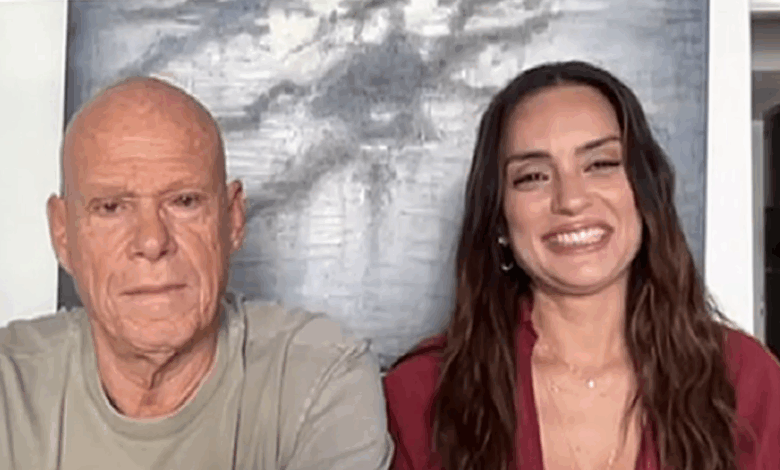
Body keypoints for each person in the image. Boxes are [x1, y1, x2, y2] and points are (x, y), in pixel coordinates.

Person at [383, 61, 780, 470]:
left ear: (645, 191)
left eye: (600, 164)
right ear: (499, 219)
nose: (571, 200)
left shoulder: (745, 380)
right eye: (533, 176)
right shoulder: (421, 394)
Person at [0, 77, 392, 469]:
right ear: (62, 234)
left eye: (185, 201)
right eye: (111, 208)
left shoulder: (317, 380)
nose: (152, 241)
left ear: (233, 218)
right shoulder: (9, 386)